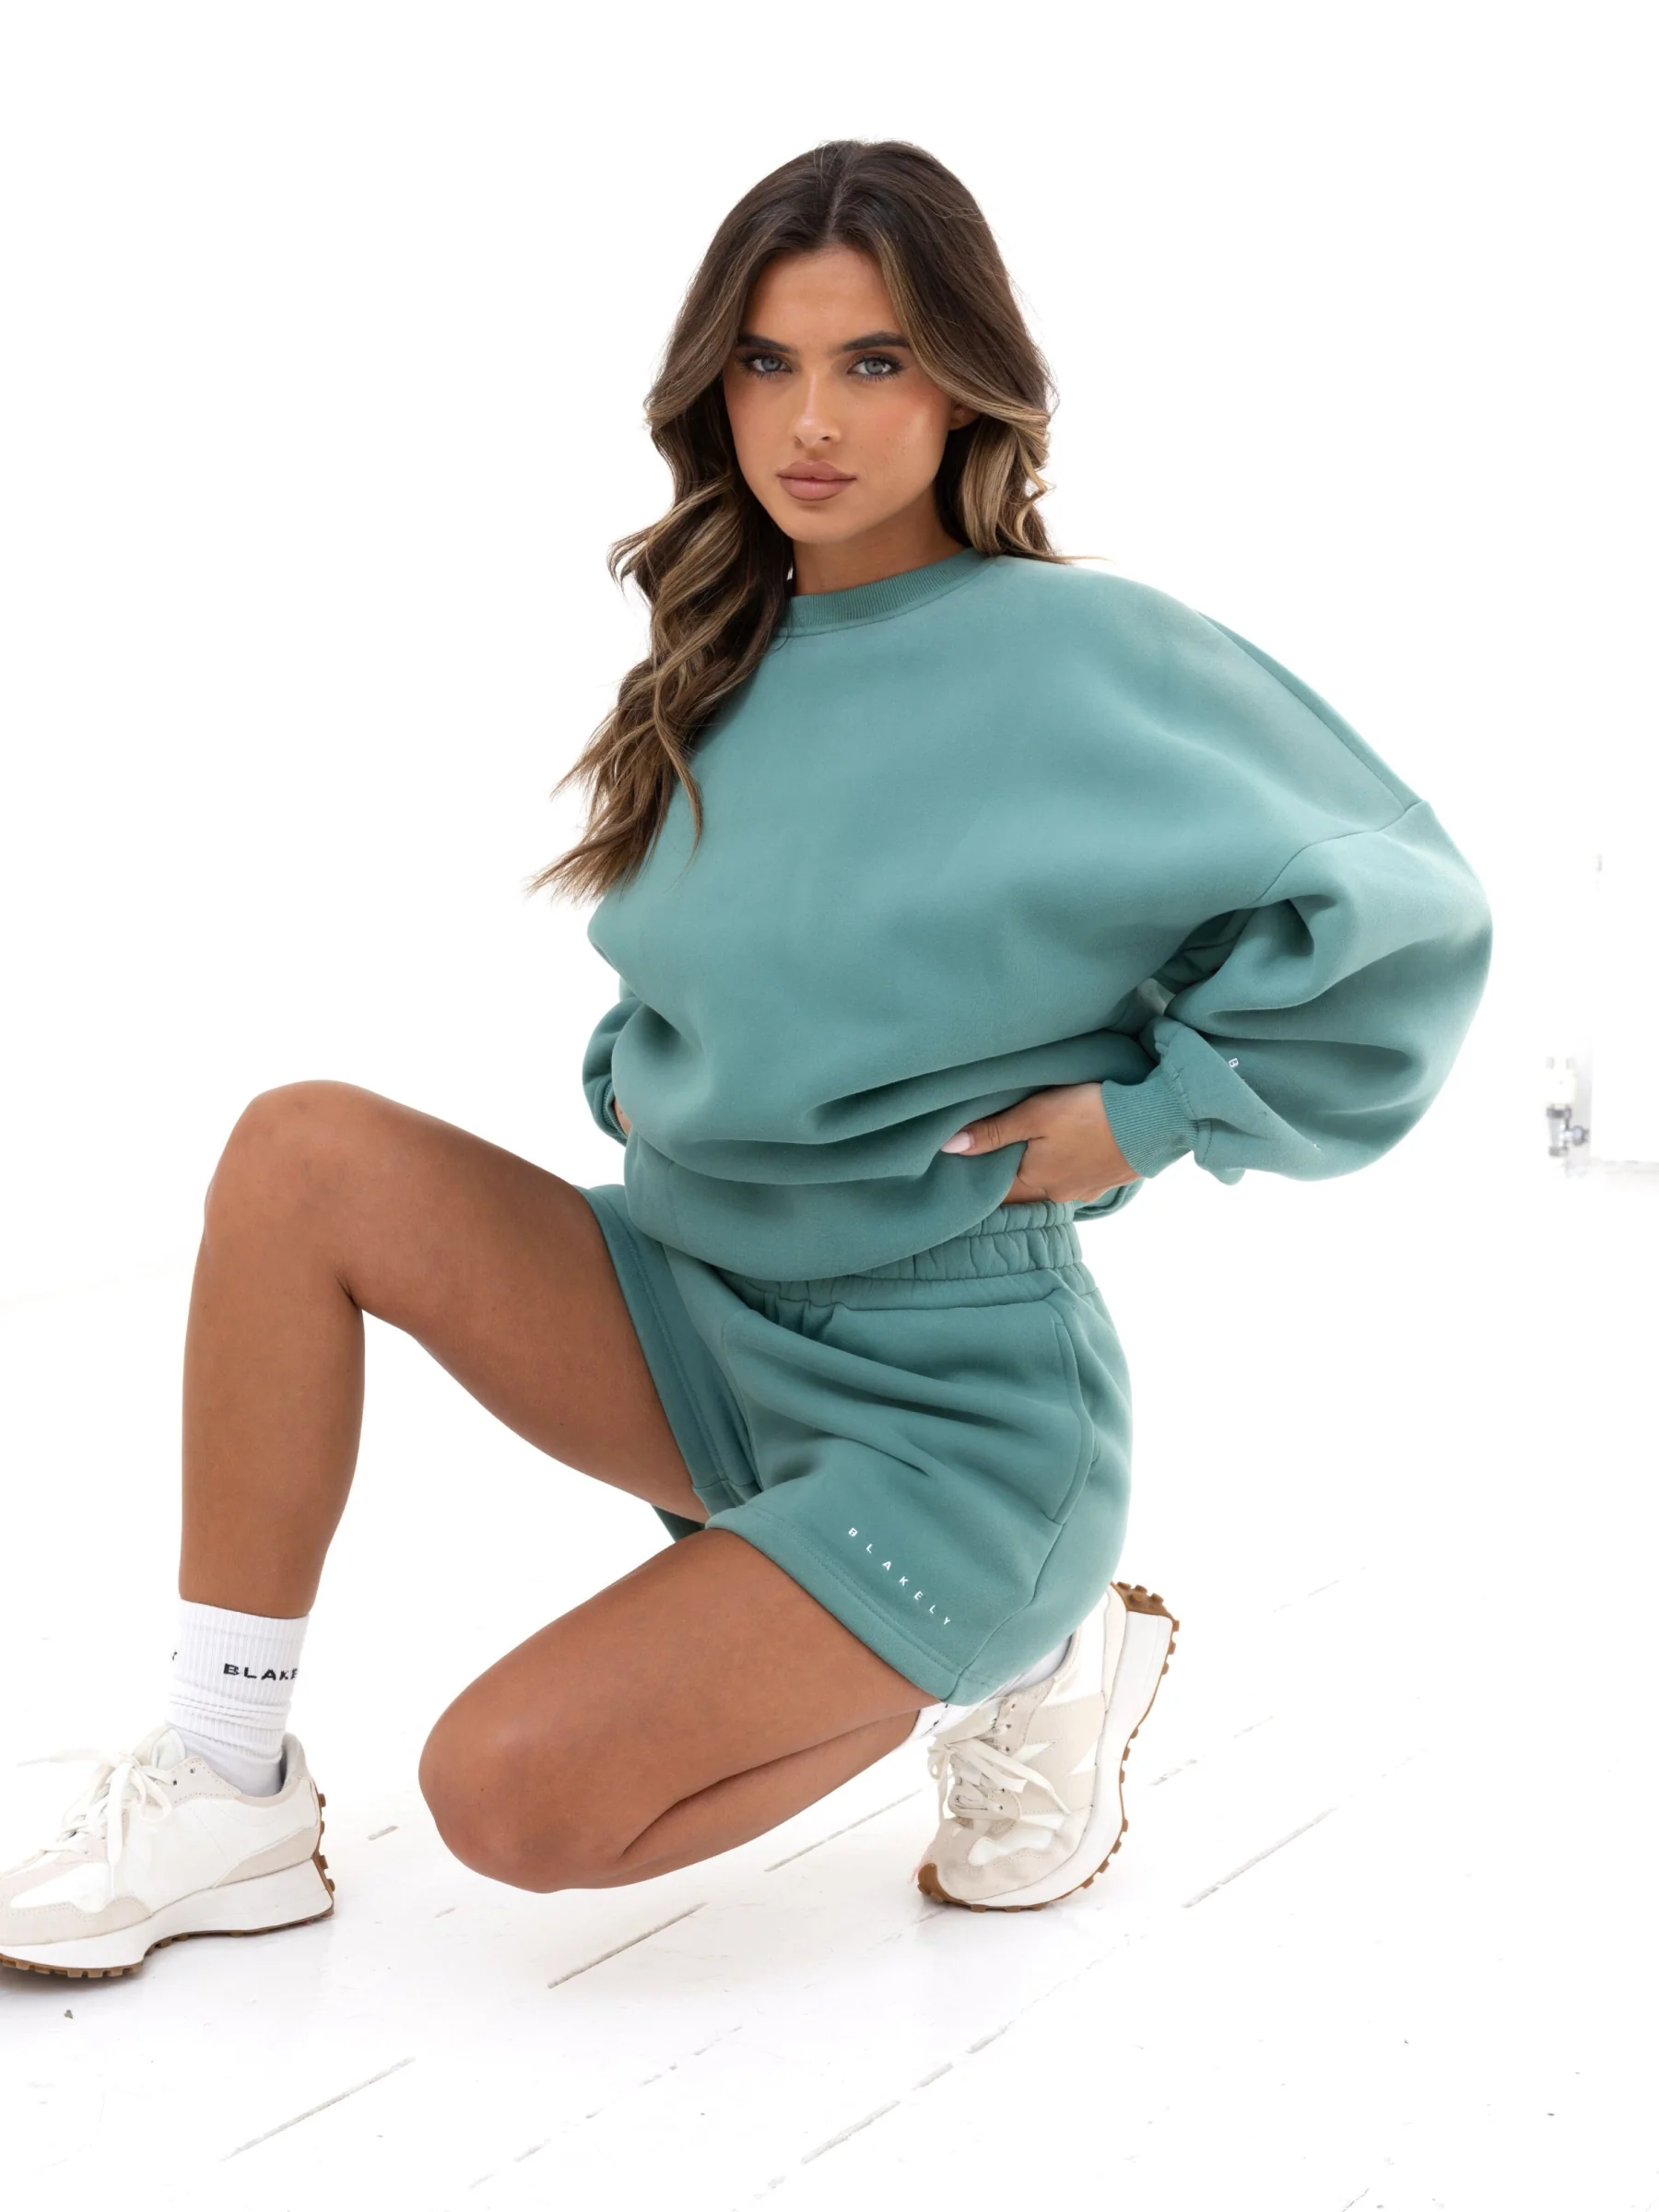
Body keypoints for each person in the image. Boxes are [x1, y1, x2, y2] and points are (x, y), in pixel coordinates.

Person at [0, 138, 1492, 1981]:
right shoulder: (727, 639)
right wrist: (642, 1067)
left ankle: (1030, 1649)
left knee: (508, 1800)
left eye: (874, 362)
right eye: (768, 364)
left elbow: (1407, 908)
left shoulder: (1082, 650)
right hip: (699, 1308)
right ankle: (225, 1782)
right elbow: (755, 941)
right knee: (300, 1151)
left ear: (965, 386)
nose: (814, 419)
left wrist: (1155, 1112)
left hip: (949, 1410)